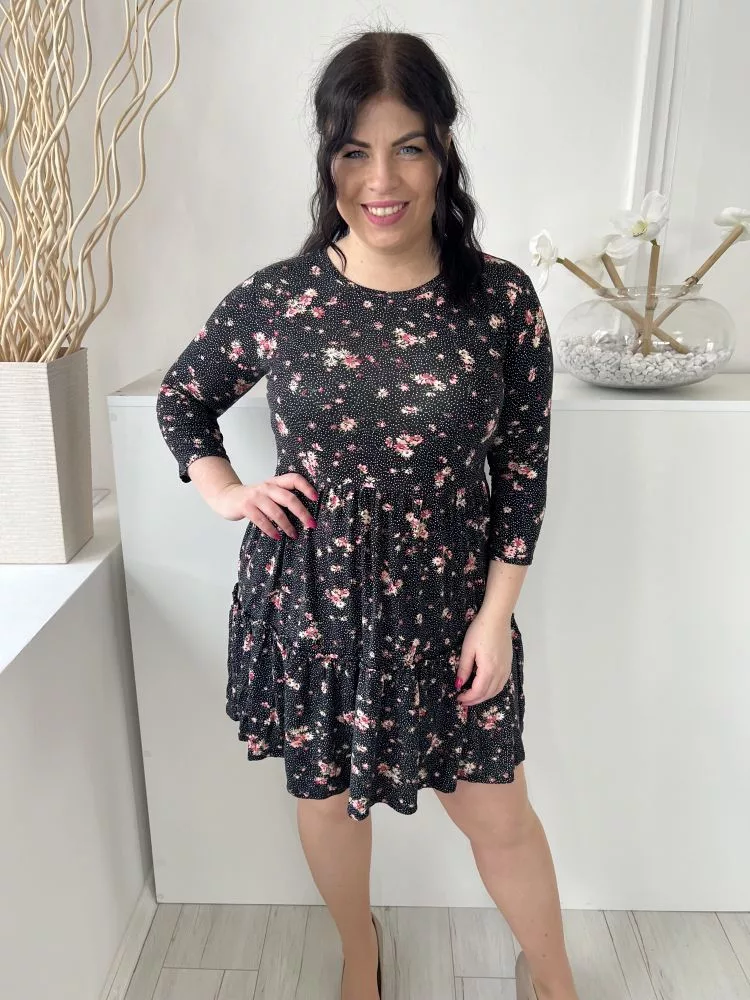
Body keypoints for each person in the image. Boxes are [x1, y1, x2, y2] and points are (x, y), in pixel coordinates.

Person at [156, 27, 579, 1000]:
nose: (381, 180)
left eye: (408, 147)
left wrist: (495, 617)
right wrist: (225, 490)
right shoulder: (283, 297)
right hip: (313, 603)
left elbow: (523, 468)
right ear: (329, 159)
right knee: (326, 803)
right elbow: (183, 397)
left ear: (442, 151)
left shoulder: (501, 299)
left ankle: (553, 977)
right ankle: (360, 952)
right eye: (355, 150)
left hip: (451, 610)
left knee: (499, 813)